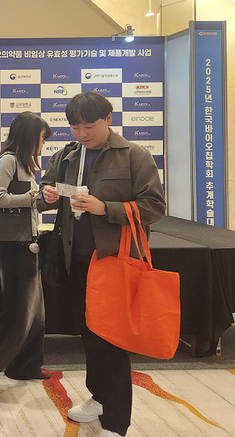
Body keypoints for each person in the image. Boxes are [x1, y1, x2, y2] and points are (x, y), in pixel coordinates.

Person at [37, 92, 166, 437]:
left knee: (112, 341)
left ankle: (116, 422)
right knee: (90, 335)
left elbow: (154, 206)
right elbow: (45, 192)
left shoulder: (134, 156)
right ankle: (99, 398)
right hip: (76, 262)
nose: (82, 133)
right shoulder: (67, 155)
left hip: (114, 262)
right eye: (75, 127)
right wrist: (46, 194)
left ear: (108, 119)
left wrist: (105, 208)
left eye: (89, 126)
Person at [0, 112, 52, 390]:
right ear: (30, 136)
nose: (43, 143)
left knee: (35, 314)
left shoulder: (25, 163)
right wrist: (32, 197)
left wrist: (43, 200)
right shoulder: (9, 161)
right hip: (14, 247)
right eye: (41, 137)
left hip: (27, 243)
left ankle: (26, 366)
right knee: (17, 314)